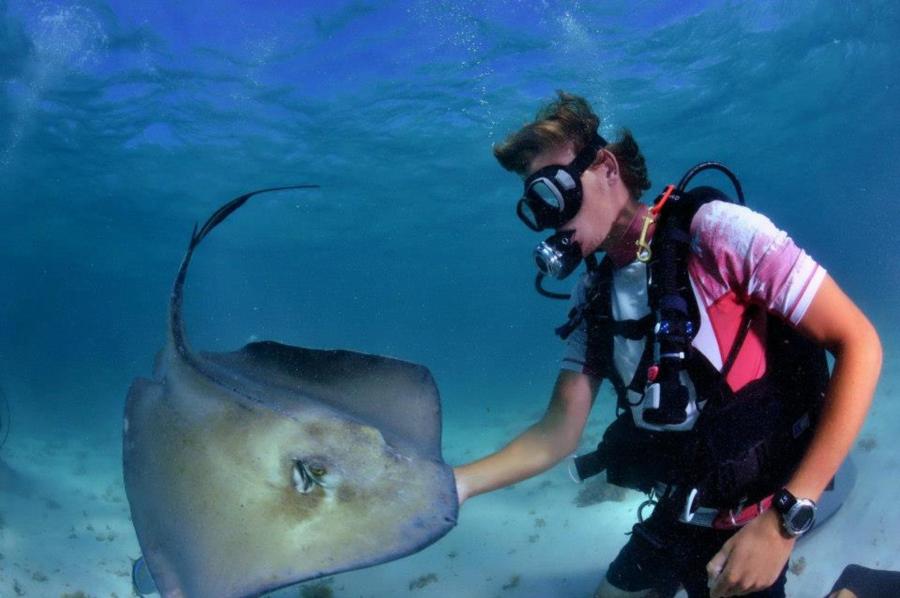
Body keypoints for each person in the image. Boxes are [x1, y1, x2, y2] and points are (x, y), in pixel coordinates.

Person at [452, 92, 883, 597]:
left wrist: (786, 521)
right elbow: (556, 432)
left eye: (555, 191)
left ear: (607, 167)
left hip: (761, 516)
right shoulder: (593, 297)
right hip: (680, 510)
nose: (551, 217)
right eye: (536, 204)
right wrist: (457, 484)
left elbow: (860, 343)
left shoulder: (717, 235)